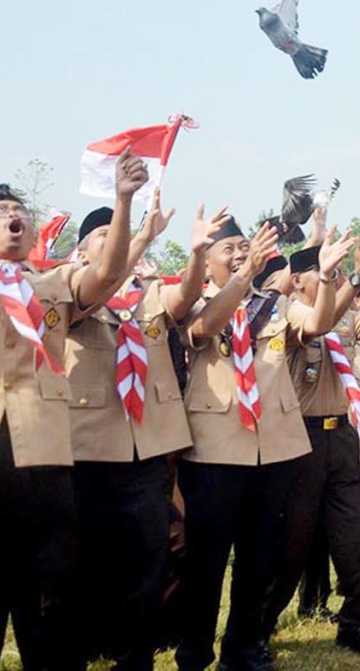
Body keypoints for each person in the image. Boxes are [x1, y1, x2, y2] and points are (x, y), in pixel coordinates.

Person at [0, 73, 147, 669]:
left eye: (20, 209)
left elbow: (107, 275)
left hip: (41, 456)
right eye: (1, 211)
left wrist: (124, 202)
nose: (15, 217)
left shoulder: (53, 286)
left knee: (49, 599)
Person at [175, 219, 355, 671]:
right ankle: (194, 651)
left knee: (259, 557)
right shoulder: (193, 301)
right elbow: (203, 330)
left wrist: (328, 278)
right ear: (209, 259)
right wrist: (243, 275)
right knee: (206, 561)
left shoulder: (275, 306)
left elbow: (316, 322)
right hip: (213, 451)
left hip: (272, 449)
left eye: (245, 247)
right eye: (230, 249)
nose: (240, 254)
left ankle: (242, 648)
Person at [65, 195, 227, 670]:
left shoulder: (150, 297)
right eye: (103, 235)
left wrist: (196, 254)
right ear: (81, 253)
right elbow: (102, 281)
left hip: (147, 449)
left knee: (147, 557)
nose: (115, 241)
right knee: (82, 560)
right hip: (88, 448)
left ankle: (136, 656)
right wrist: (137, 236)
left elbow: (186, 298)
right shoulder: (71, 291)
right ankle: (78, 648)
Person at [263, 233, 360, 658]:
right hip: (301, 441)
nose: (324, 277)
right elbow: (319, 323)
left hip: (344, 439)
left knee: (359, 536)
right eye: (317, 271)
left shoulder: (348, 316)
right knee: (290, 544)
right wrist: (348, 276)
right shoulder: (286, 313)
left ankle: (354, 622)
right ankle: (259, 625)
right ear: (297, 282)